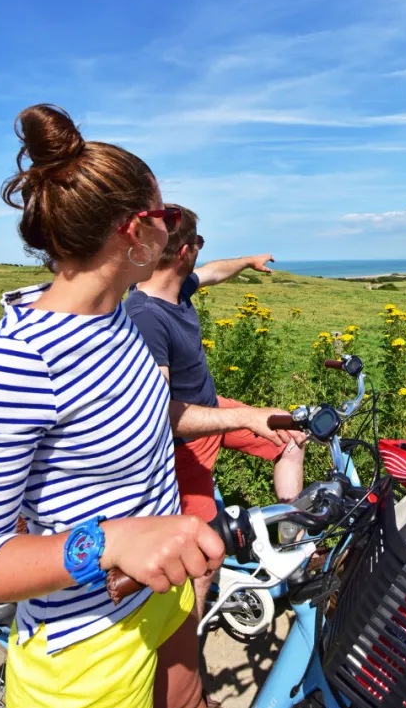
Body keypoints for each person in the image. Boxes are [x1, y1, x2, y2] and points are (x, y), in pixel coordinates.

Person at [0, 104, 299, 708]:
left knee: (189, 706)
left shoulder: (114, 321)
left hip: (158, 598)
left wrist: (241, 419)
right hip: (87, 646)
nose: (176, 232)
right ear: (138, 231)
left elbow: (146, 412)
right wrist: (109, 543)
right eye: (168, 218)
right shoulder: (12, 365)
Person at [125, 205, 306, 618]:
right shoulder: (146, 317)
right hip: (183, 447)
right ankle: (189, 637)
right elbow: (159, 414)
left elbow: (214, 272)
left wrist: (246, 261)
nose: (202, 256)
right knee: (205, 556)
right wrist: (245, 416)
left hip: (213, 413)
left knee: (292, 438)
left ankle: (294, 549)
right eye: (199, 244)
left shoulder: (175, 287)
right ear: (186, 250)